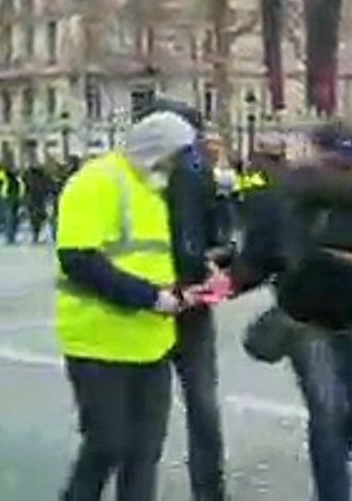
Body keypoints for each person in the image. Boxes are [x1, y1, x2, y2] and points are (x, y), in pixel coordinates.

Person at [228, 122, 352, 501]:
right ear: (314, 156)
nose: (340, 171)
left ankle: (330, 458)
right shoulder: (280, 200)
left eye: (347, 163)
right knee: (327, 413)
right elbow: (256, 260)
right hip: (305, 322)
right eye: (333, 161)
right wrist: (216, 289)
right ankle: (333, 489)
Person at [55, 111, 202, 501]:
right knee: (106, 446)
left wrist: (194, 281)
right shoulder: (96, 181)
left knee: (143, 454)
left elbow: (153, 256)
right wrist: (152, 297)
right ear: (156, 151)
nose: (180, 167)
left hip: (150, 342)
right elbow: (79, 259)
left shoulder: (156, 189)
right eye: (175, 157)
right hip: (98, 339)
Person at [137, 98, 231, 501]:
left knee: (147, 409)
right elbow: (213, 238)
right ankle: (208, 491)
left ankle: (136, 487)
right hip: (192, 298)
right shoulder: (200, 171)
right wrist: (213, 266)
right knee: (202, 403)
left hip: (152, 298)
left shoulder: (137, 175)